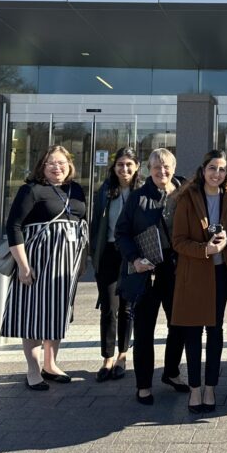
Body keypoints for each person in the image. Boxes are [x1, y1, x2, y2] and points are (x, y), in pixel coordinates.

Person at [1, 145, 89, 391]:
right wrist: (23, 265)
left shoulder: (76, 189)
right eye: (51, 163)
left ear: (70, 165)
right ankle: (33, 369)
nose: (57, 167)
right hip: (37, 263)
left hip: (65, 267)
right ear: (42, 166)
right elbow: (14, 226)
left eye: (62, 163)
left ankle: (51, 364)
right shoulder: (31, 190)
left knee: (56, 314)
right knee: (33, 315)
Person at [171, 150, 227, 414]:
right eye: (212, 168)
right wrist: (205, 249)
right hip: (193, 274)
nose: (217, 174)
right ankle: (195, 388)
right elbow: (178, 241)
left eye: (222, 169)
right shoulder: (187, 198)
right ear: (203, 170)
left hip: (220, 275)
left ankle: (211, 387)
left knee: (214, 331)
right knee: (193, 332)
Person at [115, 147, 188, 405]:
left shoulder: (184, 194)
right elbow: (121, 233)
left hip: (176, 269)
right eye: (157, 167)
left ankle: (171, 372)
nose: (162, 171)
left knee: (179, 325)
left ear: (174, 168)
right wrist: (135, 258)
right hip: (146, 270)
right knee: (145, 330)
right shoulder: (138, 198)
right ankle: (143, 384)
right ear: (149, 170)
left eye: (166, 166)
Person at [89, 146, 141, 383]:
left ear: (137, 166)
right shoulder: (105, 191)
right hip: (109, 252)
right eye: (120, 164)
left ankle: (122, 355)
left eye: (129, 164)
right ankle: (107, 357)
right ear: (114, 168)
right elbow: (96, 224)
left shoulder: (141, 191)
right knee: (109, 307)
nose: (124, 169)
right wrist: (93, 254)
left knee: (128, 307)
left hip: (131, 252)